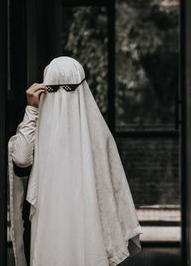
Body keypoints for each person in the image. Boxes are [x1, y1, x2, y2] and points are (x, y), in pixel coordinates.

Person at [8, 56, 143, 266]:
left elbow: (21, 158)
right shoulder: (41, 127)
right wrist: (32, 110)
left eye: (67, 88)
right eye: (54, 90)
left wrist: (32, 110)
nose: (62, 96)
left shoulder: (95, 135)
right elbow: (21, 159)